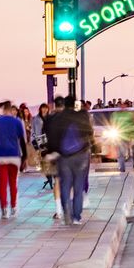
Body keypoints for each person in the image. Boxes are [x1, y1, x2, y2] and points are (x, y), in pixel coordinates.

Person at [46, 96, 93, 225]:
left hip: (64, 156)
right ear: (75, 104)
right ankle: (77, 216)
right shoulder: (82, 116)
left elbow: (52, 138)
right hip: (81, 155)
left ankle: (67, 212)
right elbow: (89, 132)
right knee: (78, 186)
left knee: (65, 185)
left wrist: (52, 153)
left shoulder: (57, 118)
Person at [0, 103, 27, 219]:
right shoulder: (17, 122)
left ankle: (4, 209)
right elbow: (22, 141)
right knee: (13, 183)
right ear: (11, 110)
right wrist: (24, 156)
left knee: (2, 184)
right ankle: (14, 207)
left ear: (2, 110)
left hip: (0, 156)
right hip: (14, 156)